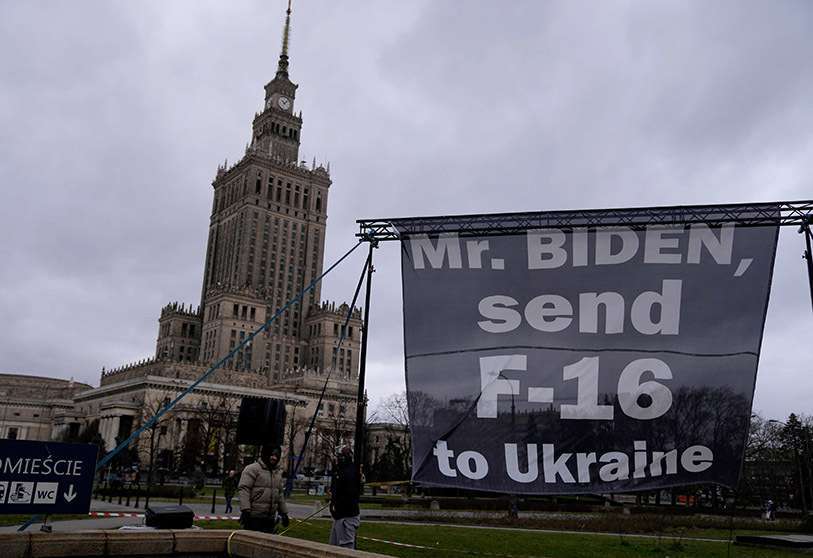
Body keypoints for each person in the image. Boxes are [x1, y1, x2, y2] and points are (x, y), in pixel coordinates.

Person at [238, 446, 289, 533]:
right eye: (271, 455)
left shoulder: (277, 473)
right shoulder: (252, 469)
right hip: (253, 517)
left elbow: (279, 495)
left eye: (277, 455)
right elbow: (244, 489)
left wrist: (284, 513)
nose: (274, 458)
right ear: (265, 454)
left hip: (270, 518)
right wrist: (245, 510)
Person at [329, 446, 361, 548]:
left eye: (339, 457)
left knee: (345, 548)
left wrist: (336, 506)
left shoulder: (350, 472)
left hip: (346, 517)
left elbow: (348, 495)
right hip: (339, 516)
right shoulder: (341, 471)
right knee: (333, 548)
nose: (337, 459)